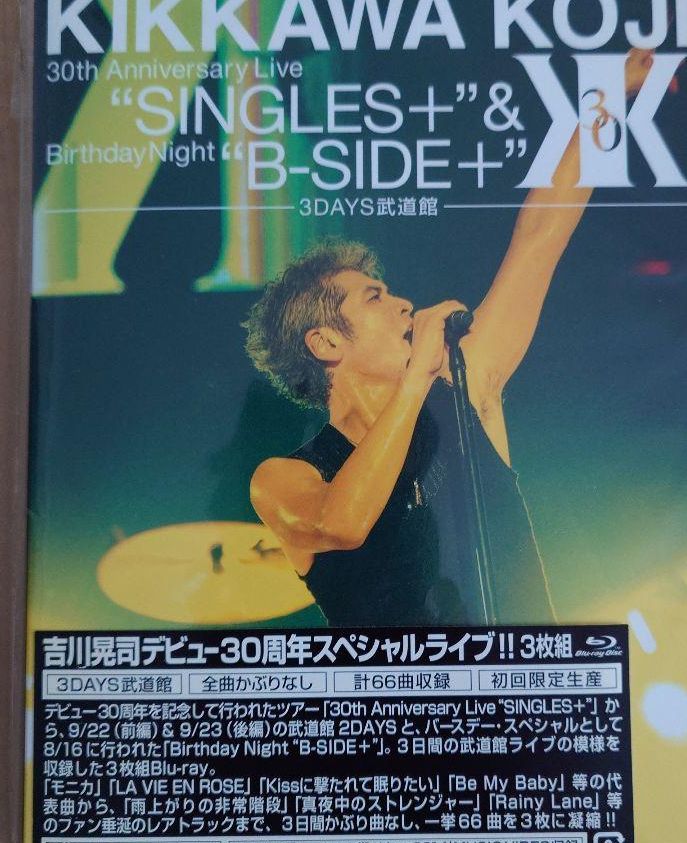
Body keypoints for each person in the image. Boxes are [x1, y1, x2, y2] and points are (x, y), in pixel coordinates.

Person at [244, 52, 654, 629]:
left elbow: (540, 233)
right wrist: (416, 379)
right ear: (326, 343)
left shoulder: (464, 385)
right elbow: (342, 523)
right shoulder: (285, 478)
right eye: (375, 298)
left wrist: (608, 100)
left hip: (519, 681)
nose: (403, 304)